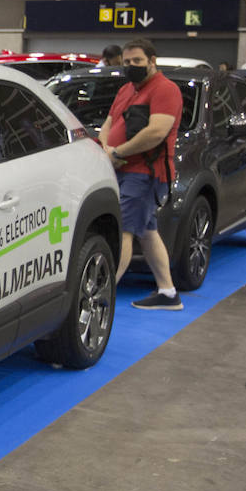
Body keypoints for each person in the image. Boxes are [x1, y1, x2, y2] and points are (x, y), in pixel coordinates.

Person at [99, 38, 184, 310]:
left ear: (152, 60)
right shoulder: (126, 89)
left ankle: (102, 295)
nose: (131, 66)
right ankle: (168, 292)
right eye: (127, 62)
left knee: (124, 229)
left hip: (145, 173)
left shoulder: (165, 90)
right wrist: (105, 148)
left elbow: (156, 132)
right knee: (147, 231)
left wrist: (118, 152)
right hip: (121, 168)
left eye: (137, 61)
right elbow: (109, 122)